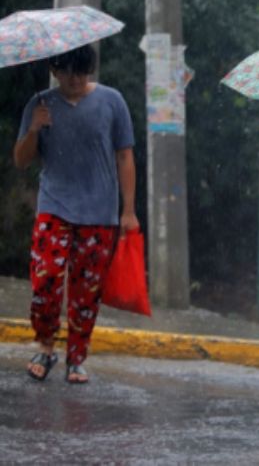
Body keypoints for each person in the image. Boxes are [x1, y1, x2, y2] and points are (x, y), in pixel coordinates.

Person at [13, 44, 139, 384]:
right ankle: (45, 344)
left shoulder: (112, 102)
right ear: (55, 71)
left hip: (99, 211)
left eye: (81, 73)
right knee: (47, 279)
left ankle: (77, 356)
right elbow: (20, 160)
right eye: (68, 73)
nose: (75, 80)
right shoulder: (40, 104)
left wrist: (128, 210)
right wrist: (35, 129)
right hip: (55, 206)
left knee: (87, 289)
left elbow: (125, 156)